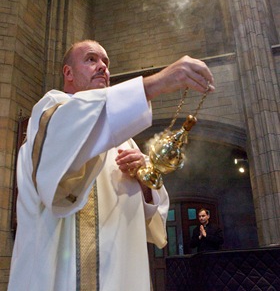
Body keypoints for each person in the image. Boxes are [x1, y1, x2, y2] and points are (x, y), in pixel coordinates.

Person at [8, 40, 215, 291]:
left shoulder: (124, 140)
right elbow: (71, 124)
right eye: (91, 59)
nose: (103, 67)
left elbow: (154, 221)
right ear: (68, 73)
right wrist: (156, 83)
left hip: (121, 275)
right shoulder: (48, 114)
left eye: (106, 63)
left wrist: (144, 177)